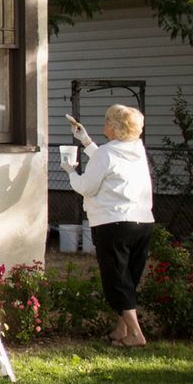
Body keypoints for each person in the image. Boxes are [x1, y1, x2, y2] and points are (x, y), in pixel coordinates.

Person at [66, 104, 155, 346]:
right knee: (129, 278)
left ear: (114, 128)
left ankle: (136, 334)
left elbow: (87, 187)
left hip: (113, 223)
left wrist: (70, 171)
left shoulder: (107, 153)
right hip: (142, 222)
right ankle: (121, 329)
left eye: (107, 121)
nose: (104, 124)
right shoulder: (137, 149)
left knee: (115, 278)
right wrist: (85, 140)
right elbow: (108, 160)